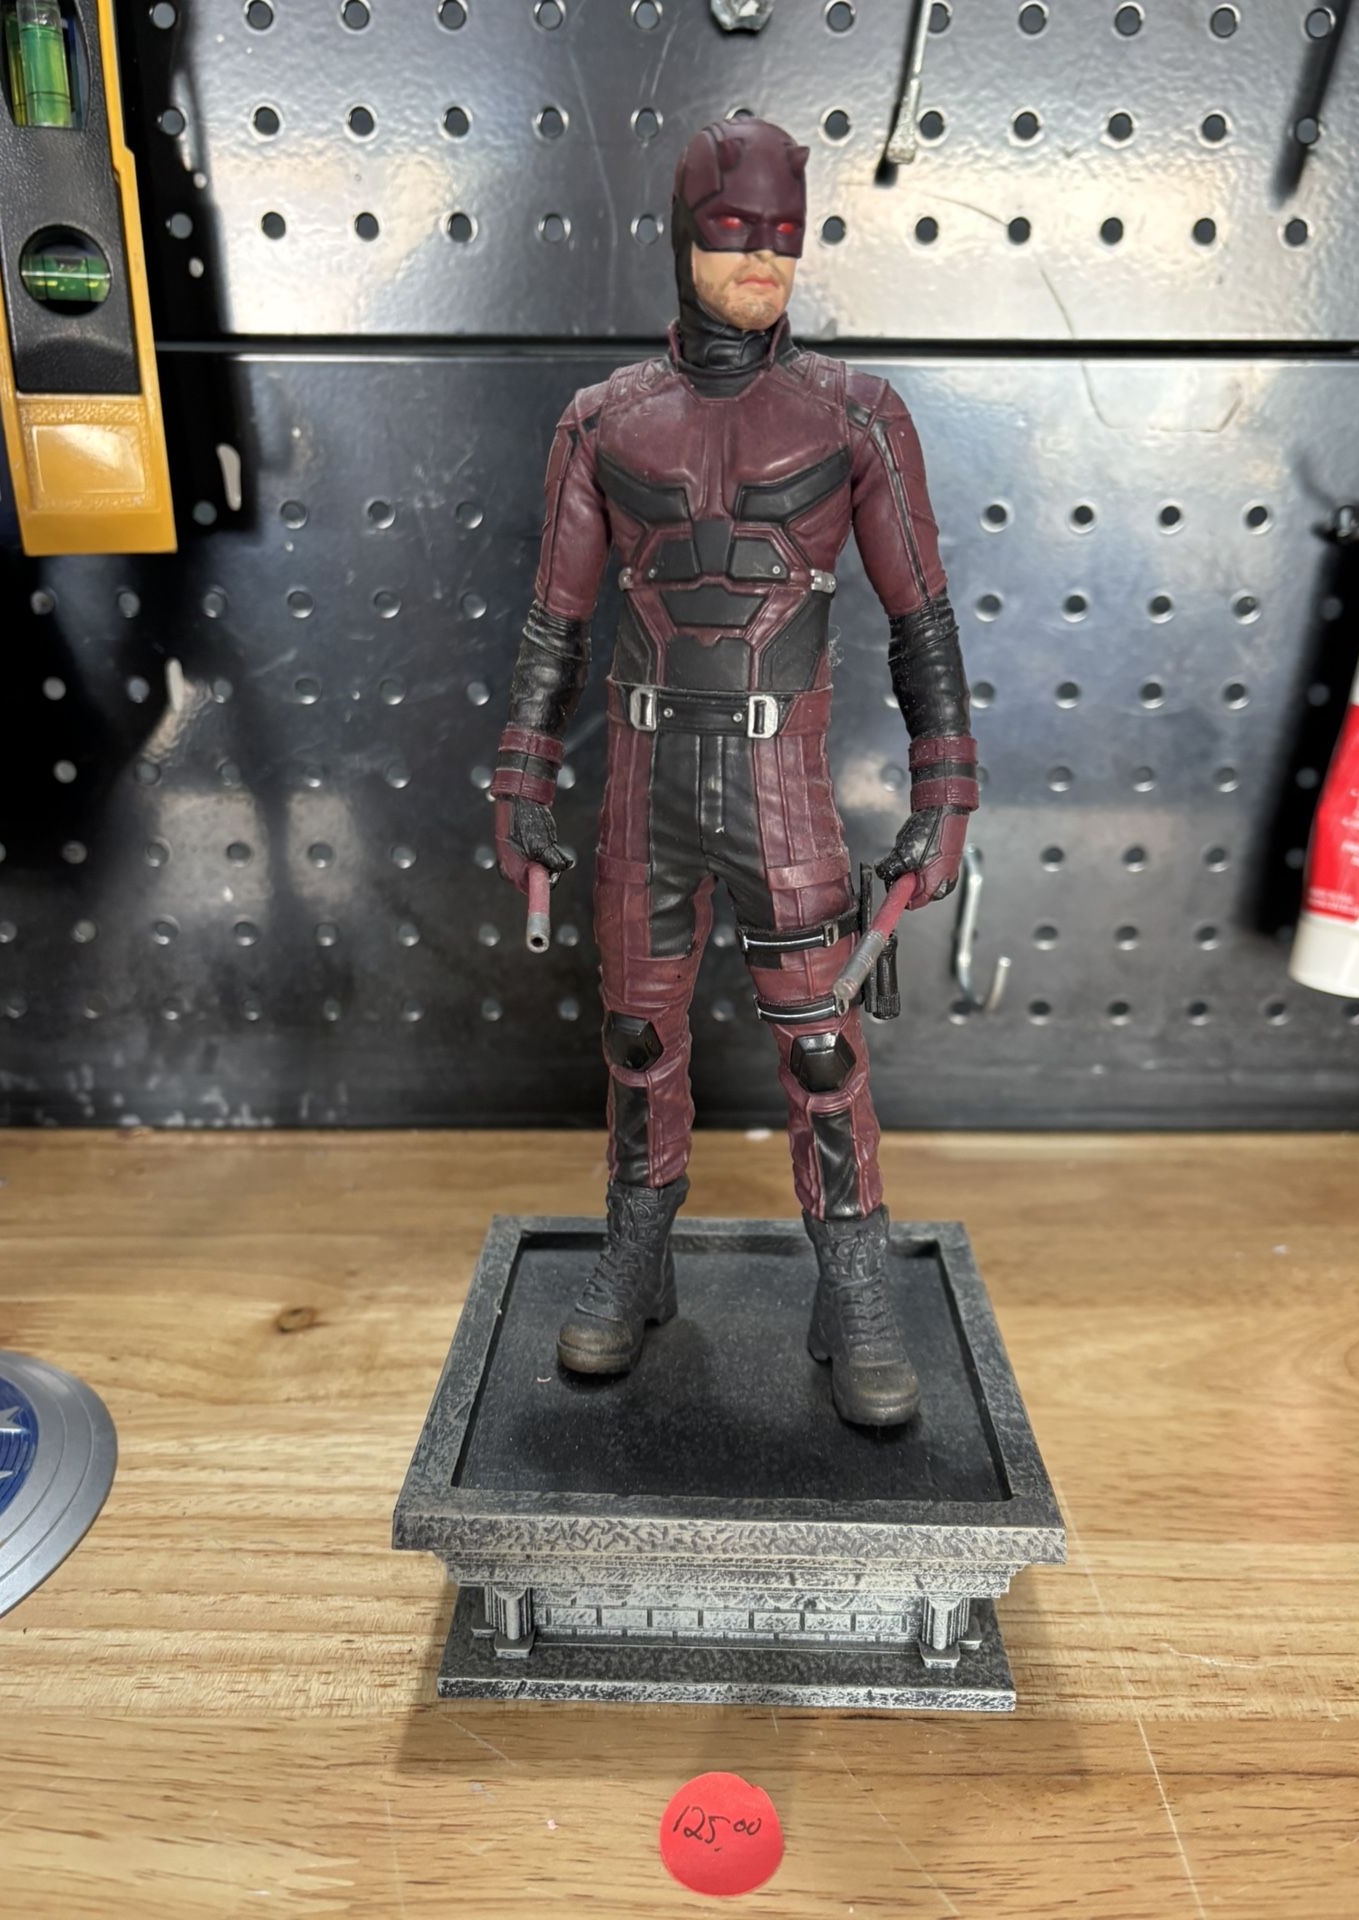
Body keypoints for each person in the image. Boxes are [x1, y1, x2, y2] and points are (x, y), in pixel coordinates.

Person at [492, 119, 977, 1427]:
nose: (762, 258)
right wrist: (522, 775)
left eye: (783, 234)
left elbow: (922, 617)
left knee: (821, 1047)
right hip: (646, 783)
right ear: (683, 237)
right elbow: (556, 621)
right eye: (732, 230)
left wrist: (946, 791)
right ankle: (635, 1253)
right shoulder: (604, 421)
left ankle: (855, 1285)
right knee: (637, 1035)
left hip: (782, 789)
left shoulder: (857, 415)